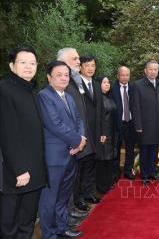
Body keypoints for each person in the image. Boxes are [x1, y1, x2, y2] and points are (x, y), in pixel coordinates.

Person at [0, 46, 47, 239]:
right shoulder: (4, 89)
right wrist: (19, 169)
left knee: (27, 221)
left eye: (32, 63)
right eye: (23, 62)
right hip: (16, 173)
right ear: (12, 66)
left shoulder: (30, 90)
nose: (28, 67)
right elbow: (8, 132)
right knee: (9, 224)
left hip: (34, 171)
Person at [38, 61, 86, 239]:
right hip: (54, 158)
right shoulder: (44, 96)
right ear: (49, 77)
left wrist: (81, 140)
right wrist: (78, 141)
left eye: (66, 74)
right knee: (49, 200)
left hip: (71, 155)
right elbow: (55, 125)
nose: (64, 78)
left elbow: (79, 120)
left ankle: (61, 228)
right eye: (59, 74)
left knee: (63, 197)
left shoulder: (68, 96)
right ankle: (49, 234)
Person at [56, 48, 92, 216]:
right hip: (67, 145)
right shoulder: (62, 86)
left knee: (72, 180)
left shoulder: (74, 82)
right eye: (75, 59)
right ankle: (66, 216)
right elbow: (61, 120)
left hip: (77, 141)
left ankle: (70, 212)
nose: (79, 62)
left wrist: (81, 137)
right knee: (65, 185)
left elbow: (78, 115)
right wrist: (76, 139)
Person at [132, 60, 159, 185]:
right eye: (151, 69)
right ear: (146, 70)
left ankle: (152, 173)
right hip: (144, 126)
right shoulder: (138, 85)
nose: (153, 72)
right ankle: (145, 176)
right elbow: (135, 107)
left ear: (158, 71)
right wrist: (138, 125)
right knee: (145, 152)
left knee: (154, 151)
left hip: (158, 126)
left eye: (155, 69)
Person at [75, 55, 103, 206]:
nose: (90, 68)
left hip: (95, 132)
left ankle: (88, 193)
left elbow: (100, 110)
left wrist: (102, 132)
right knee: (81, 166)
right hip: (81, 132)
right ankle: (78, 198)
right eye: (87, 65)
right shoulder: (74, 85)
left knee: (92, 164)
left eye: (93, 65)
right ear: (80, 67)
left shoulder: (97, 85)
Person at [110, 66, 136, 181]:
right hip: (117, 124)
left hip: (131, 123)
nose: (125, 77)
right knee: (116, 149)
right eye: (122, 75)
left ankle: (128, 171)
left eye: (127, 75)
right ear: (118, 76)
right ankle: (115, 173)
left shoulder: (134, 88)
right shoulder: (112, 88)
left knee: (130, 149)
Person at [96, 76, 117, 193]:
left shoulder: (109, 97)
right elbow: (97, 119)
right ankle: (102, 187)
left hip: (111, 133)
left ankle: (108, 184)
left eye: (108, 82)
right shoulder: (97, 99)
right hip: (103, 134)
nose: (107, 84)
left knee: (109, 159)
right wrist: (101, 133)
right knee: (102, 160)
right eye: (104, 82)